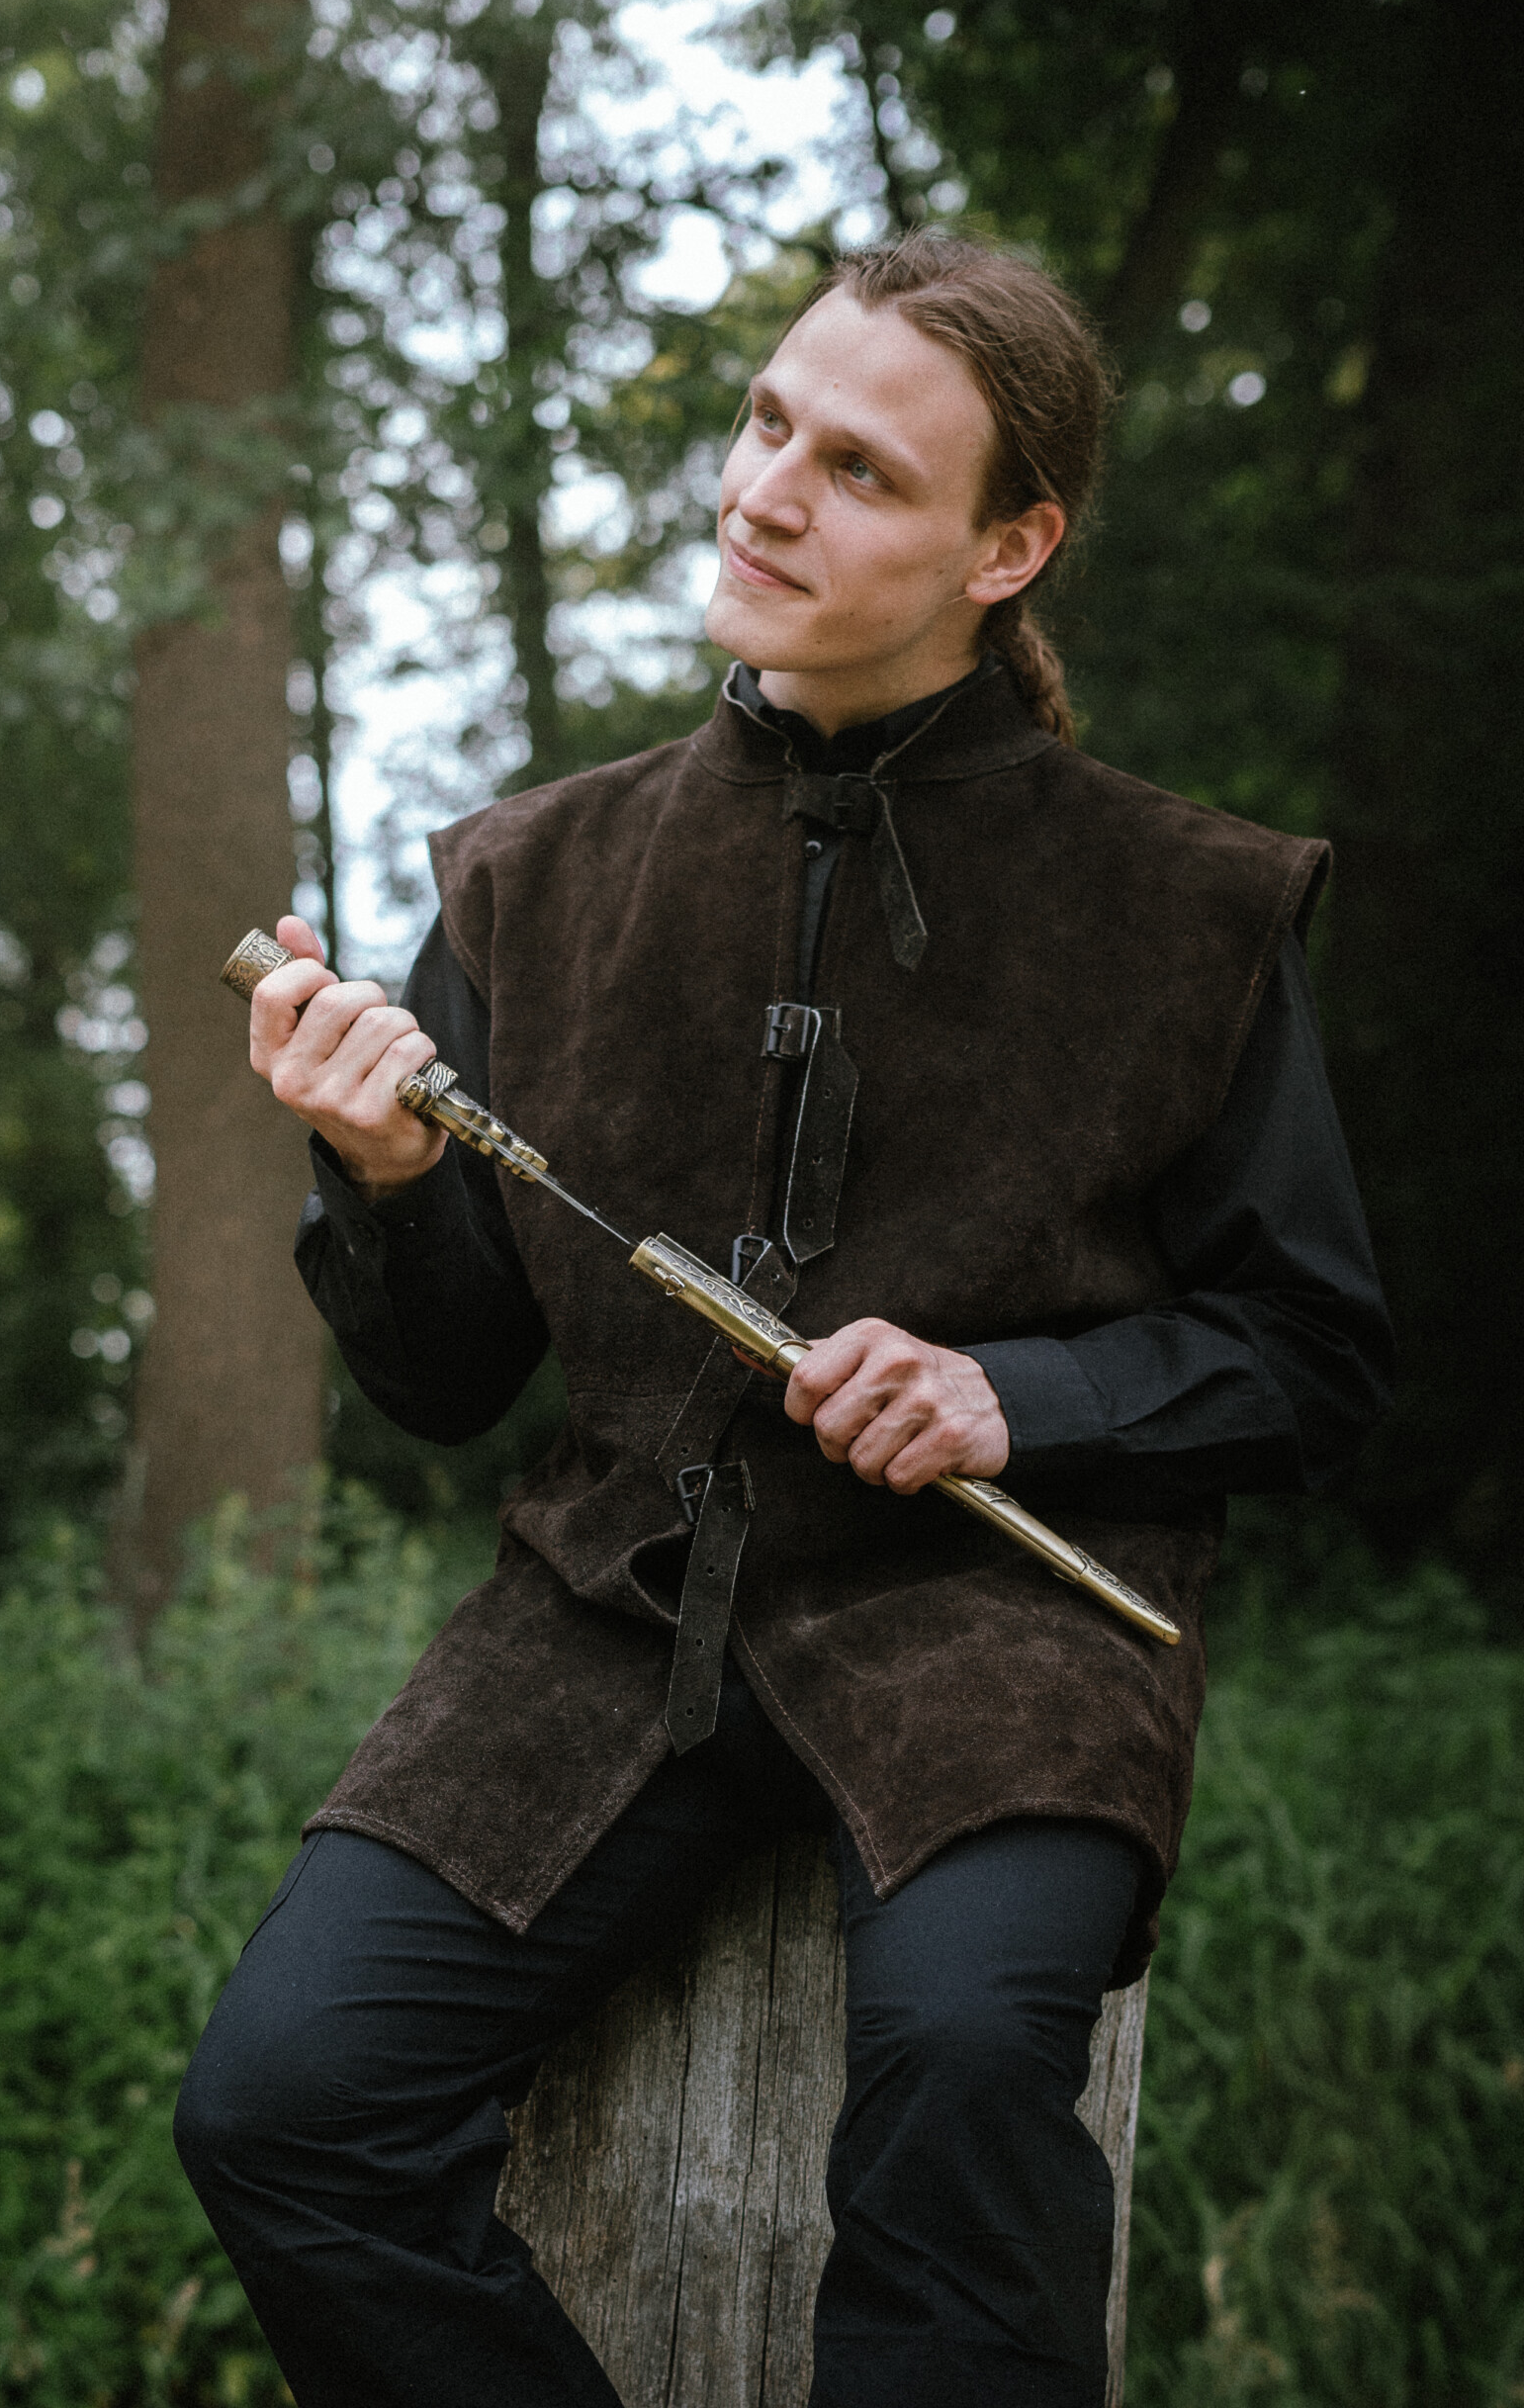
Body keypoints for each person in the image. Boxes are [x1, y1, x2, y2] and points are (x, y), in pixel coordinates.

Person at [173, 231, 1392, 2407]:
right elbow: (451, 1381)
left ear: (1008, 549)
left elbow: (1314, 1357)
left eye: (858, 468)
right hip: (603, 1616)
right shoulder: (529, 875)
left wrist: (1012, 1393)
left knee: (961, 2069)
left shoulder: (1187, 902)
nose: (764, 491)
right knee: (285, 2107)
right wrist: (380, 1176)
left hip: (999, 1636)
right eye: (765, 422)